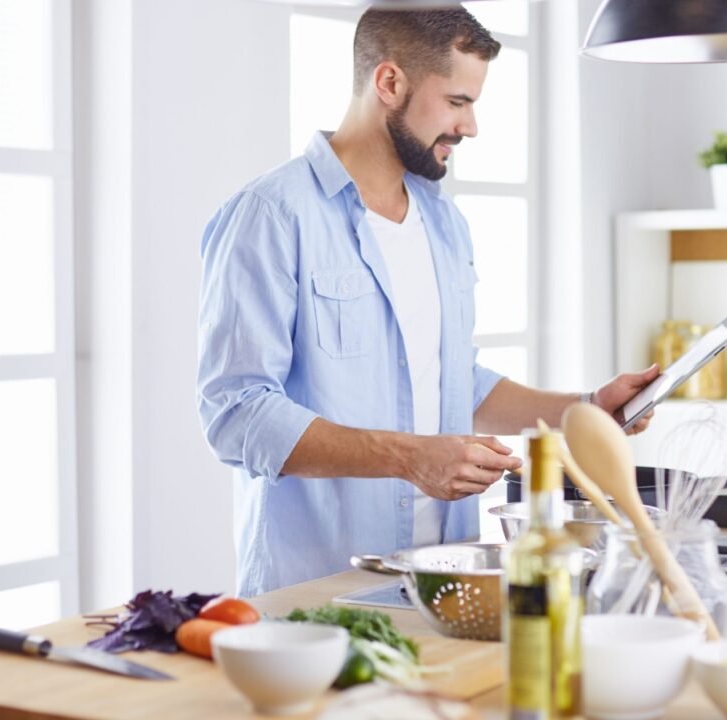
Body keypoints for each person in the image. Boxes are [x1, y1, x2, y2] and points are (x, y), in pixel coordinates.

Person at [197, 6, 658, 596]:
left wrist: (586, 409)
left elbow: (451, 382)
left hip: (444, 583)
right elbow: (236, 415)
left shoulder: (444, 222)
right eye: (458, 102)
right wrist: (409, 457)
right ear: (390, 83)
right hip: (315, 593)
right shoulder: (271, 215)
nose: (470, 127)